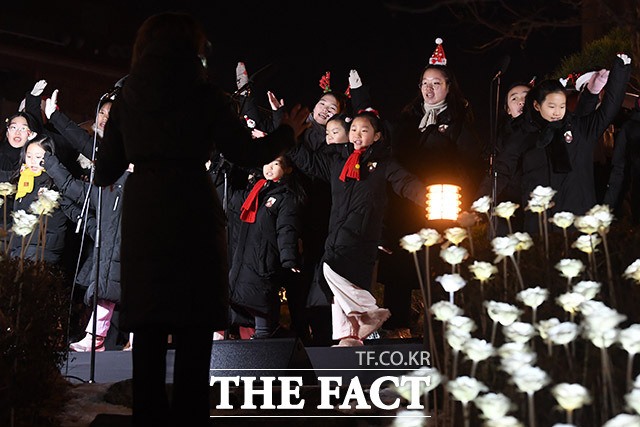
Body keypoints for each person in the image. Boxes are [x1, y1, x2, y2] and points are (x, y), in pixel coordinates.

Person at [92, 12, 309, 426]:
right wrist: (285, 132)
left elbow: (104, 173)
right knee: (194, 326)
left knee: (150, 329)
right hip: (192, 205)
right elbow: (246, 153)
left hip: (145, 211)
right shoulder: (206, 94)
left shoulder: (129, 96)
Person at [289, 109, 426, 346]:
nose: (357, 134)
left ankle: (368, 311)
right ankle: (349, 338)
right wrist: (283, 129)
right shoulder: (337, 160)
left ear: (377, 136)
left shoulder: (383, 163)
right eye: (354, 129)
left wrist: (430, 197)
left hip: (363, 235)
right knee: (338, 288)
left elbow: (406, 183)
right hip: (337, 233)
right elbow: (306, 160)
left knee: (330, 270)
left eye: (364, 130)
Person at [379, 39, 483, 330]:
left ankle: (439, 339)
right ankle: (396, 338)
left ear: (449, 86)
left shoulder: (460, 120)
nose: (429, 88)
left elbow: (472, 165)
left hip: (441, 209)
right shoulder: (406, 119)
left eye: (436, 83)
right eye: (425, 82)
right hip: (404, 210)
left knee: (436, 276)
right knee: (398, 276)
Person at [494, 54, 632, 232]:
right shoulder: (523, 136)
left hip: (578, 219)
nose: (557, 112)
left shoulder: (578, 128)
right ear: (537, 106)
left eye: (561, 106)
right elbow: (501, 171)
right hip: (538, 225)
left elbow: (606, 111)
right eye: (551, 106)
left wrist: (620, 72)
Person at [226, 155, 304, 338]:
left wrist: (289, 259)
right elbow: (231, 198)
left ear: (287, 169)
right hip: (243, 261)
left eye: (275, 163)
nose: (269, 167)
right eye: (266, 162)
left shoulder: (286, 197)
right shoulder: (255, 191)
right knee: (239, 304)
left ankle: (267, 350)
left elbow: (287, 229)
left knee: (262, 307)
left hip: (264, 261)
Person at [9, 135, 68, 263]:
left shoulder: (57, 180)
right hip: (20, 245)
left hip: (42, 247)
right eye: (29, 156)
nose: (32, 161)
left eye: (38, 157)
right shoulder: (24, 178)